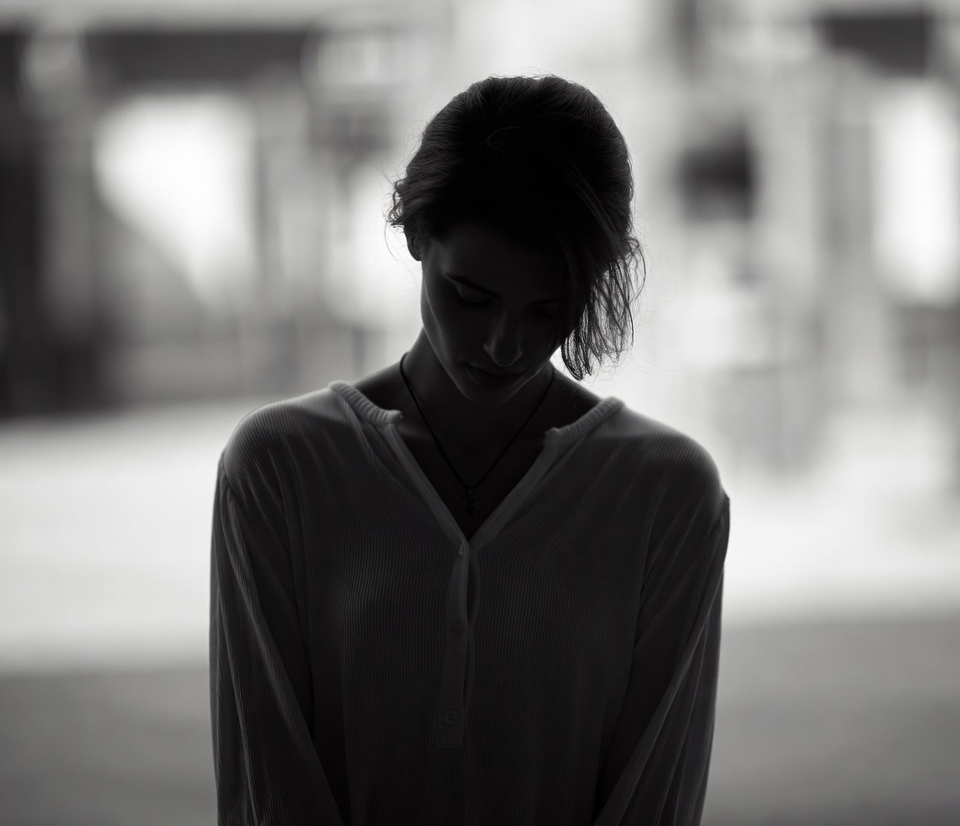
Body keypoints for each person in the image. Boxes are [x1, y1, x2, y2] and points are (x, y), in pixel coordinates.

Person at [209, 74, 730, 825]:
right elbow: (269, 786)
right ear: (416, 234)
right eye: (471, 296)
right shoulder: (281, 469)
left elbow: (654, 799)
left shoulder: (664, 494)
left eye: (547, 308)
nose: (504, 344)